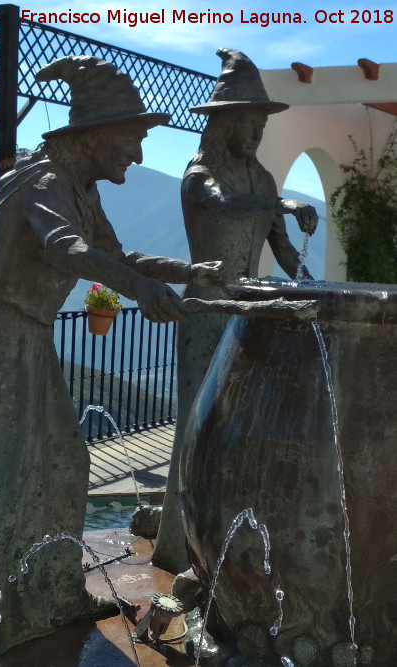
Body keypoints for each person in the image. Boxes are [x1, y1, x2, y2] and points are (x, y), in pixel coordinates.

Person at [0, 55, 225, 661]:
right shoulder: (45, 182)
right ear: (97, 135)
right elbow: (66, 249)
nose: (137, 154)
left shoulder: (80, 189)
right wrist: (140, 289)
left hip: (29, 339)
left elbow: (118, 257)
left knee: (63, 464)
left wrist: (189, 272)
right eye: (132, 138)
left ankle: (47, 592)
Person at [153, 49, 319, 574]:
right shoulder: (198, 174)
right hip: (206, 313)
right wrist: (283, 204)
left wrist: (313, 285)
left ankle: (223, 538)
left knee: (236, 428)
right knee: (196, 425)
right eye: (247, 123)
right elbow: (223, 202)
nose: (255, 133)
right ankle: (175, 545)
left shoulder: (264, 181)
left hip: (244, 316)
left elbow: (283, 249)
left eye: (261, 125)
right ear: (223, 123)